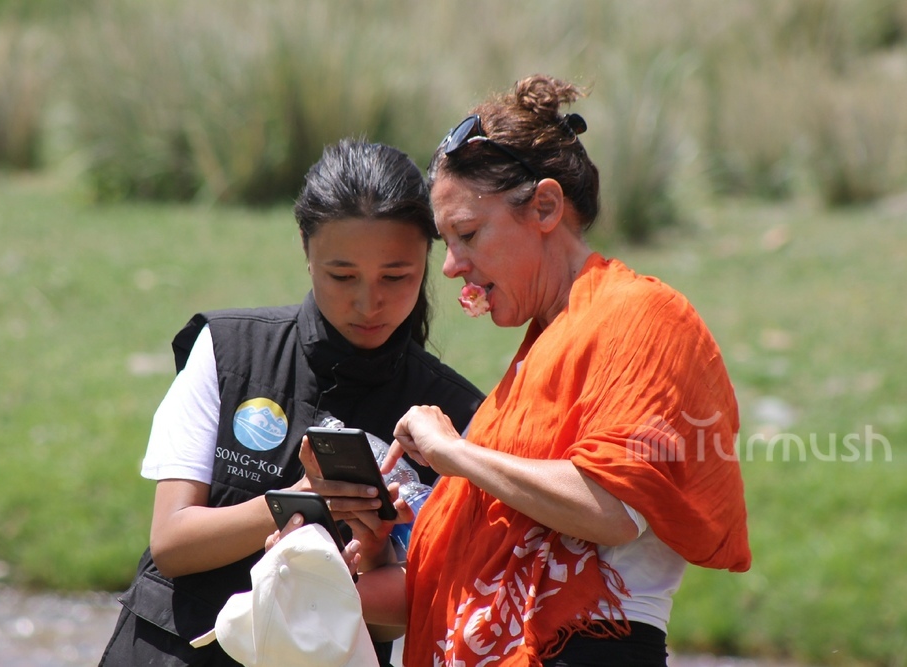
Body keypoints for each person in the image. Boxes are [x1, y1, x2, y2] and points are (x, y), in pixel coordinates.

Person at [302, 75, 751, 667]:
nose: (452, 266)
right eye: (447, 242)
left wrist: (453, 453)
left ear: (544, 207)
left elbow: (612, 508)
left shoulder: (641, 314)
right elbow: (460, 589)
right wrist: (350, 561)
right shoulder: (534, 358)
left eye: (467, 234)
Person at [99, 139, 485, 667]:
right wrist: (301, 500)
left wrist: (372, 556)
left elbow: (414, 609)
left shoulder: (455, 419)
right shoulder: (228, 349)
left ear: (428, 259)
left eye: (396, 277)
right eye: (342, 276)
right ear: (307, 251)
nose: (368, 302)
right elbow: (172, 543)